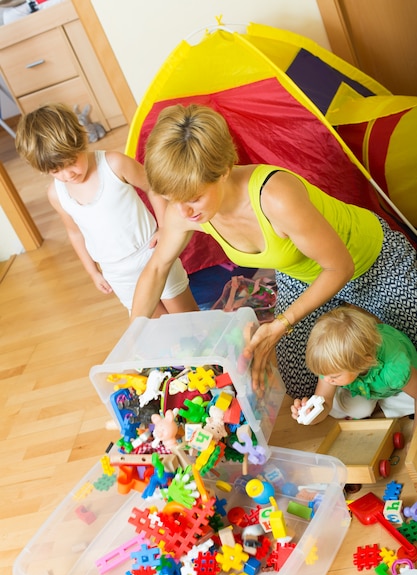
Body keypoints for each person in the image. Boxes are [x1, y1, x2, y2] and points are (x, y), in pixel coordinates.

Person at [129, 103, 417, 396]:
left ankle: (361, 337)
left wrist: (281, 324)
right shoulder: (183, 210)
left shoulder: (275, 197)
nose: (181, 211)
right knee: (302, 388)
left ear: (225, 170)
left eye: (194, 197)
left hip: (372, 261)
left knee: (409, 356)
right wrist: (132, 343)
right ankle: (357, 349)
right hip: (301, 275)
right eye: (170, 198)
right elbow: (155, 270)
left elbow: (340, 267)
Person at [15, 103, 199, 317]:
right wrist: (93, 271)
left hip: (151, 252)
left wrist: (164, 228)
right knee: (152, 325)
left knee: (186, 315)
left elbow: (153, 188)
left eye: (71, 162)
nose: (68, 175)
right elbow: (74, 233)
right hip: (116, 272)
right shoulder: (56, 194)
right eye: (56, 170)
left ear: (81, 140)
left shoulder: (114, 164)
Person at [290, 306, 417, 428]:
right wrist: (311, 416)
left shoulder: (395, 367)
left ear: (363, 363)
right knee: (356, 409)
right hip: (374, 385)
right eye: (324, 374)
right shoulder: (330, 365)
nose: (326, 380)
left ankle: (385, 403)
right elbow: (325, 403)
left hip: (402, 382)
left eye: (334, 376)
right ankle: (384, 405)